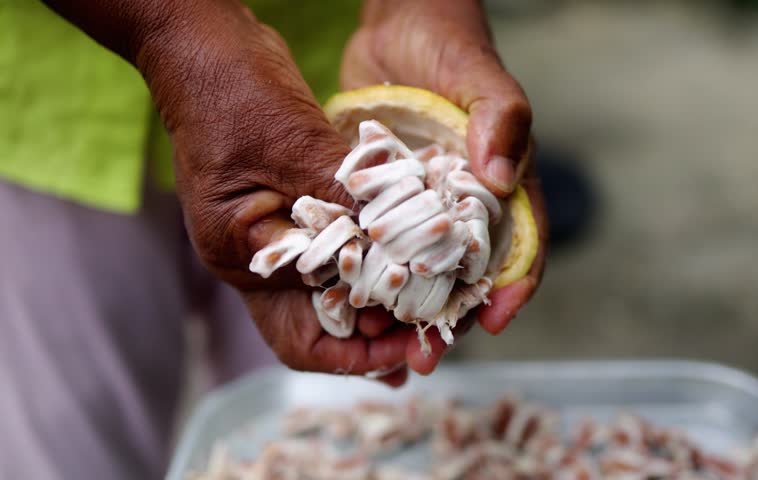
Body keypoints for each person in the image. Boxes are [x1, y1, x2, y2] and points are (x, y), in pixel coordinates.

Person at [0, 0, 546, 478]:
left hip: (325, 66)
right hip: (54, 103)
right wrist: (171, 32)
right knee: (74, 446)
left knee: (348, 441)